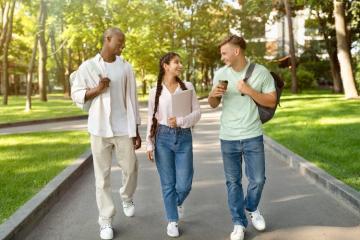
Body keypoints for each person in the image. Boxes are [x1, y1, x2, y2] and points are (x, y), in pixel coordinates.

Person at [71, 27, 141, 240]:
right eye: (119, 42)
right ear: (107, 39)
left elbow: (133, 98)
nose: (122, 45)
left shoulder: (126, 67)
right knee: (102, 178)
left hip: (122, 128)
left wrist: (136, 129)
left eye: (123, 42)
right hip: (99, 128)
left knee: (131, 168)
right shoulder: (88, 67)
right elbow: (77, 95)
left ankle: (127, 197)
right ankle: (105, 220)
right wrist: (98, 89)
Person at [208, 35, 276, 240]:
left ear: (236, 51)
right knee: (233, 182)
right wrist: (213, 94)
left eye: (224, 53)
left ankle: (252, 207)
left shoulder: (261, 72)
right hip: (227, 136)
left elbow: (272, 101)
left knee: (257, 179)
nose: (222, 57)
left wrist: (249, 90)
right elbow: (212, 104)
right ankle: (238, 222)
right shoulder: (220, 73)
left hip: (252, 135)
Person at [146, 52, 201, 238]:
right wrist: (149, 143)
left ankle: (176, 204)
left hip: (184, 136)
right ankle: (172, 220)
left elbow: (197, 114)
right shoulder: (155, 91)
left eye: (180, 62)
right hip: (162, 138)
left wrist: (181, 120)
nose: (180, 65)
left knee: (185, 183)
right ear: (166, 66)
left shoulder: (188, 88)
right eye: (176, 62)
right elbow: (150, 118)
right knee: (168, 184)